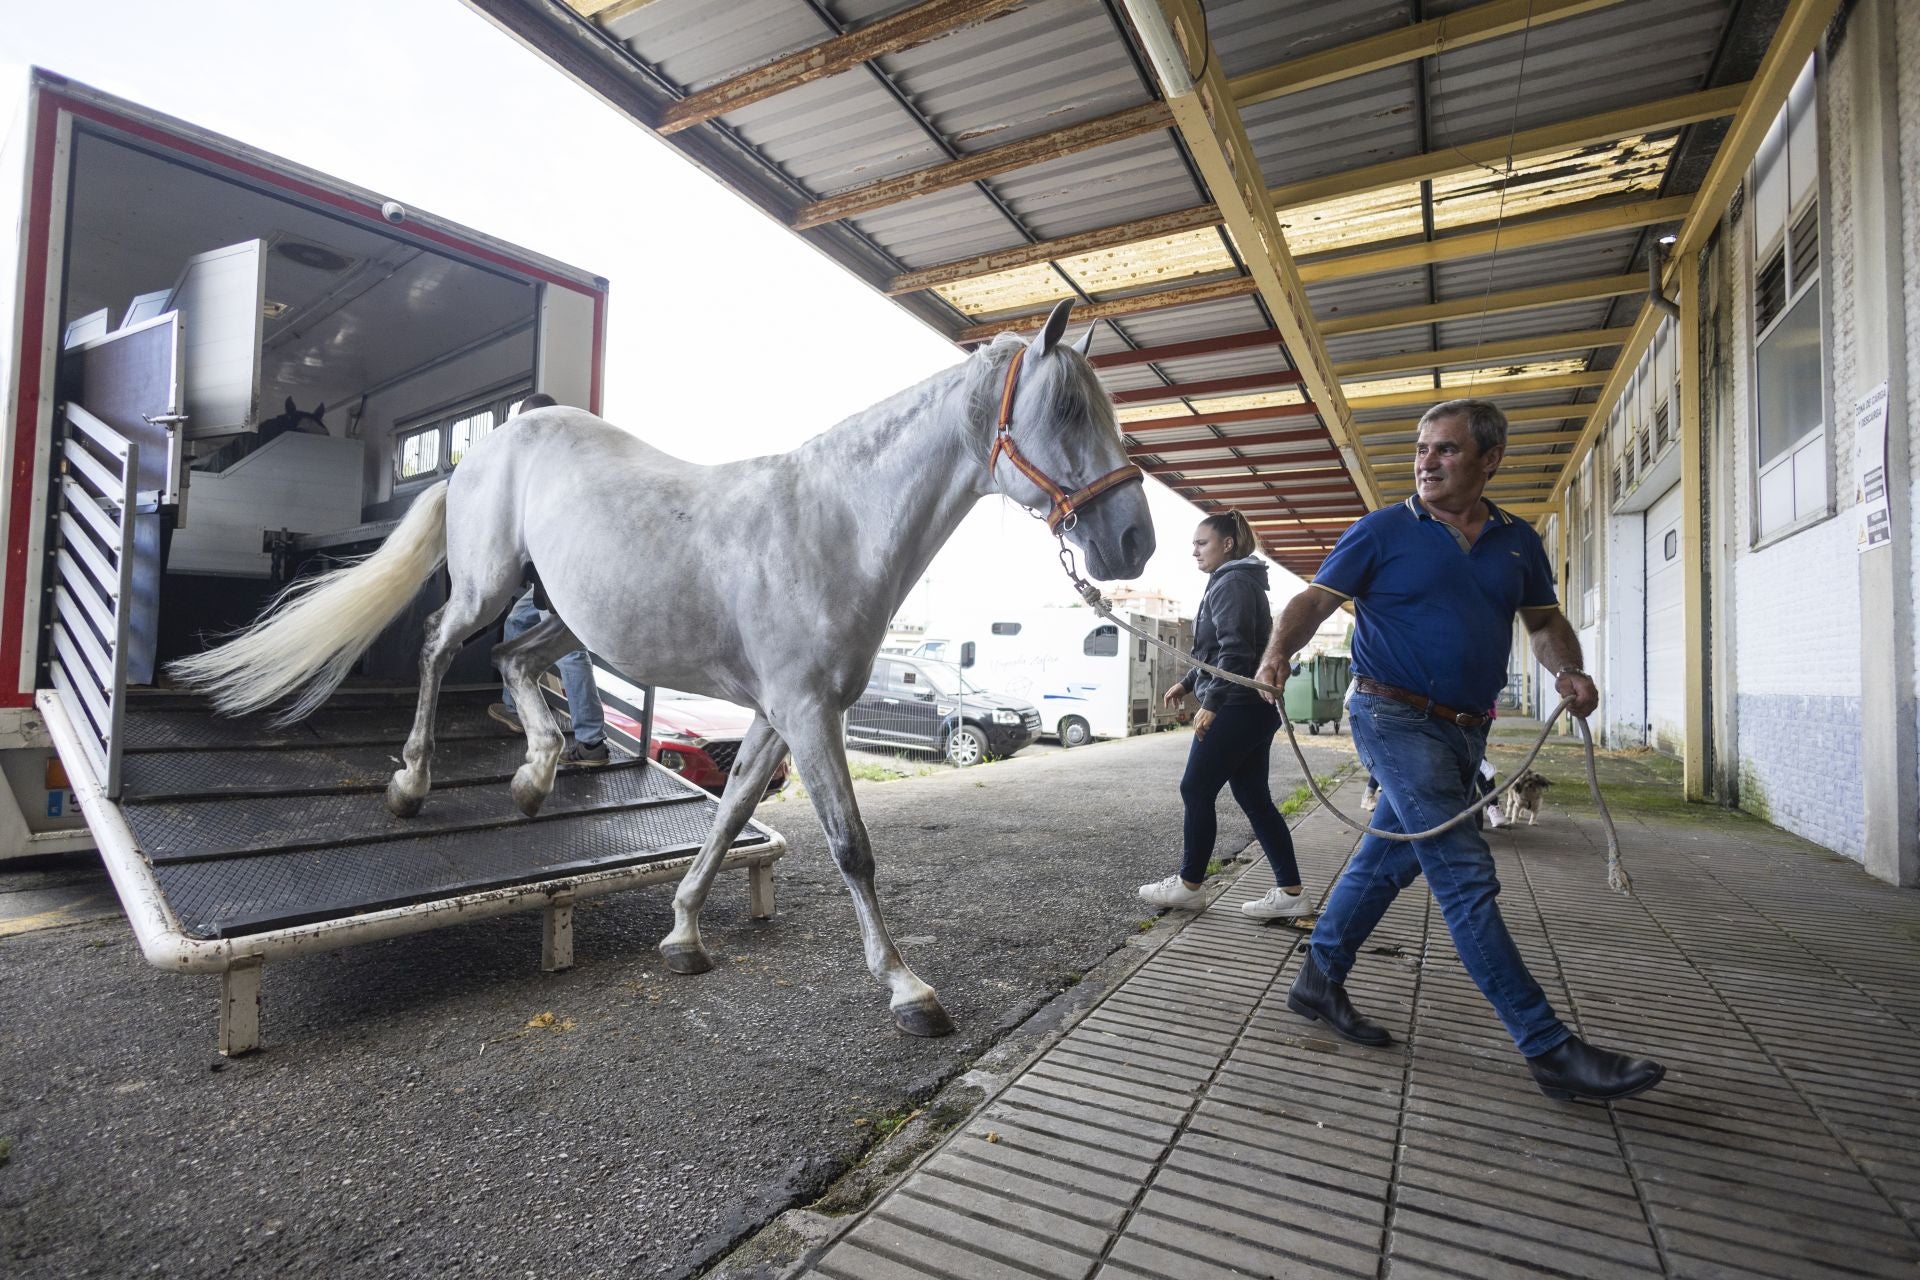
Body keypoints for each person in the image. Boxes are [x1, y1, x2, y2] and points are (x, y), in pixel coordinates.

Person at [1255, 399, 1664, 1103]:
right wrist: (1275, 655)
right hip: (1389, 714)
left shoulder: (1517, 542)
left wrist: (1567, 668)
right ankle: (1548, 1048)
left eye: (1445, 450)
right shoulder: (1383, 530)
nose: (1426, 462)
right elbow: (1315, 601)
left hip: (1465, 727)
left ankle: (1318, 980)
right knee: (1466, 873)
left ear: (1489, 460)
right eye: (1421, 449)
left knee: (1390, 856)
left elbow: (1542, 621)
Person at [1139, 511, 1309, 921]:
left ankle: (1189, 885)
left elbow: (1236, 654)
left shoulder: (1231, 582)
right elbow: (1215, 653)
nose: (1194, 551)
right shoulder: (1235, 580)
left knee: (1195, 789)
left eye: (1202, 543)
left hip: (1238, 706)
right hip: (1253, 708)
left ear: (1227, 544)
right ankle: (1291, 892)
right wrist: (1186, 681)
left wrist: (1211, 704)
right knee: (1253, 798)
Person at [486, 394, 610, 767]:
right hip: (550, 570)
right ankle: (513, 706)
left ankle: (591, 743)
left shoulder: (553, 460)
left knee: (569, 650)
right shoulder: (567, 451)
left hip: (563, 572)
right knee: (516, 622)